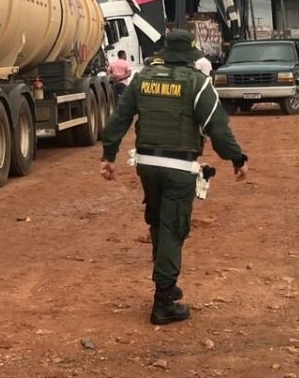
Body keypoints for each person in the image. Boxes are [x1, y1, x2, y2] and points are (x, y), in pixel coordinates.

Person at [100, 30, 248, 325]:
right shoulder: (197, 83)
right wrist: (237, 159)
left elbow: (120, 117)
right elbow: (217, 126)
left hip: (146, 165)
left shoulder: (142, 80)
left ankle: (166, 285)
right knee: (172, 228)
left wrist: (108, 155)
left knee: (157, 223)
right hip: (179, 168)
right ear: (190, 55)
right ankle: (164, 301)